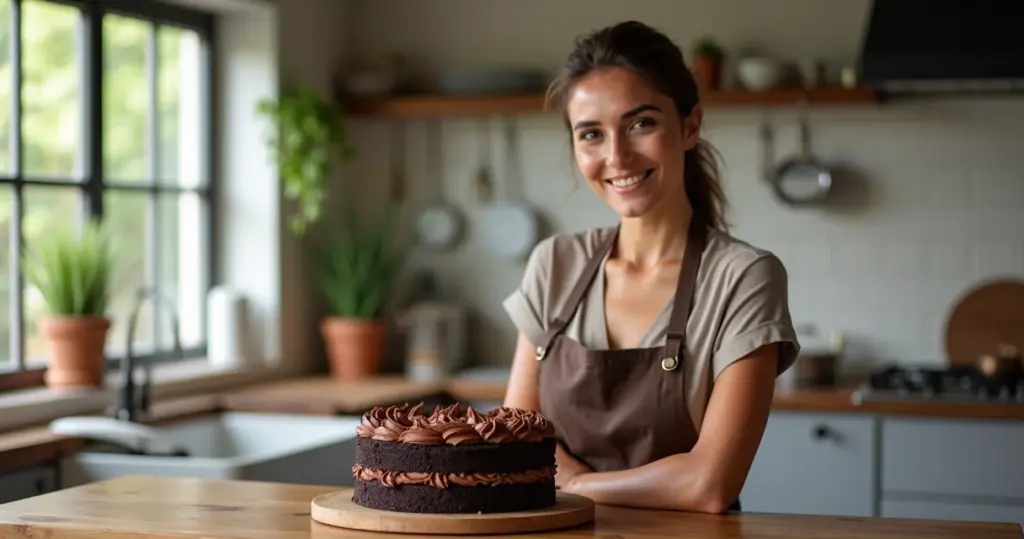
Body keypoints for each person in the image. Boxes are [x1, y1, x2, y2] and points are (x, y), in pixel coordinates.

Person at [501, 20, 801, 514]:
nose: (616, 156)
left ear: (689, 125)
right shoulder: (555, 263)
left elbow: (710, 483)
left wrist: (575, 485)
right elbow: (514, 439)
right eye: (591, 134)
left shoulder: (745, 278)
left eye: (641, 123)